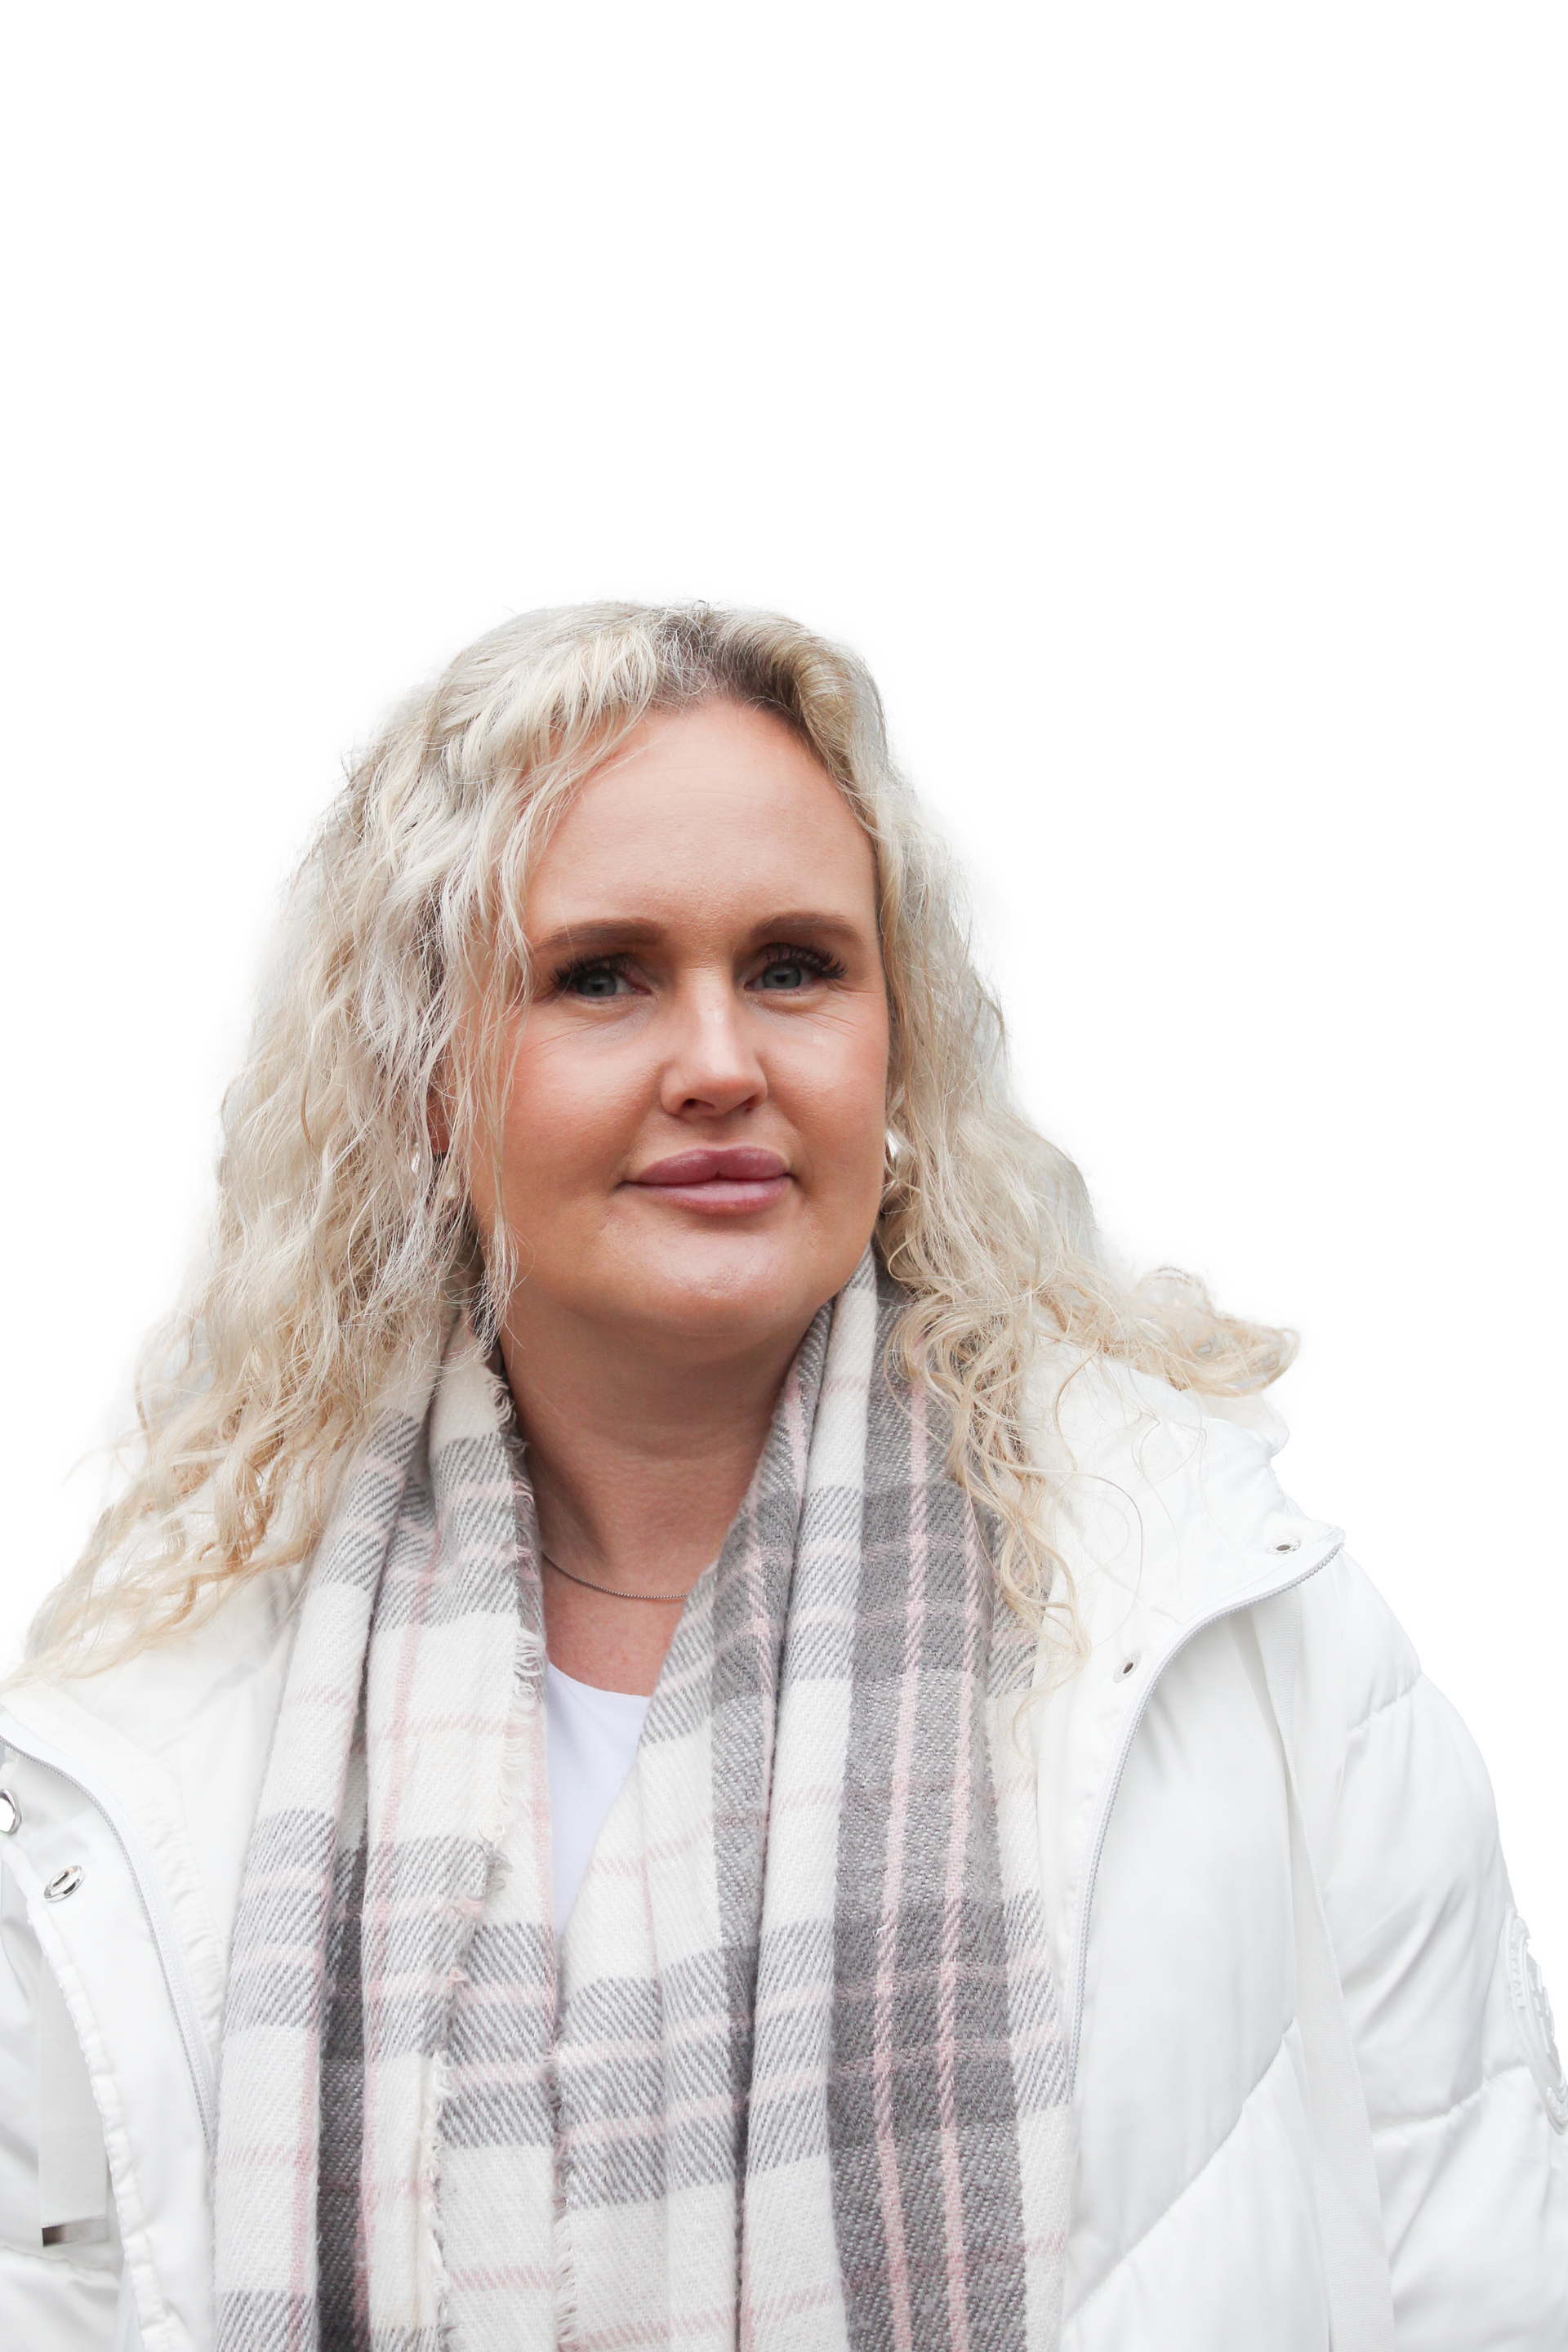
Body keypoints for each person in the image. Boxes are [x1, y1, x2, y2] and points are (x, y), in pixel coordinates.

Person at [1, 604, 1562, 2352]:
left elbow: (1480, 2260)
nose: (721, 1064)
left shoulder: (1228, 1630)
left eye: (795, 967)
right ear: (426, 1074)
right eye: (602, 976)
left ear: (898, 1042)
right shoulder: (158, 1741)